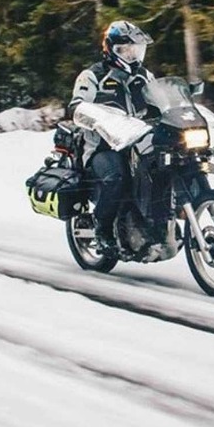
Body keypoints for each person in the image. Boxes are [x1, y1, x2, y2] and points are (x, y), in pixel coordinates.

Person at [68, 20, 155, 255]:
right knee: (116, 177)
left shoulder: (144, 76)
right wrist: (99, 117)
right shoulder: (92, 76)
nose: (132, 55)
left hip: (138, 143)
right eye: (125, 50)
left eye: (135, 50)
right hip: (102, 147)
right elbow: (76, 107)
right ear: (111, 50)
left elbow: (160, 100)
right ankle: (102, 230)